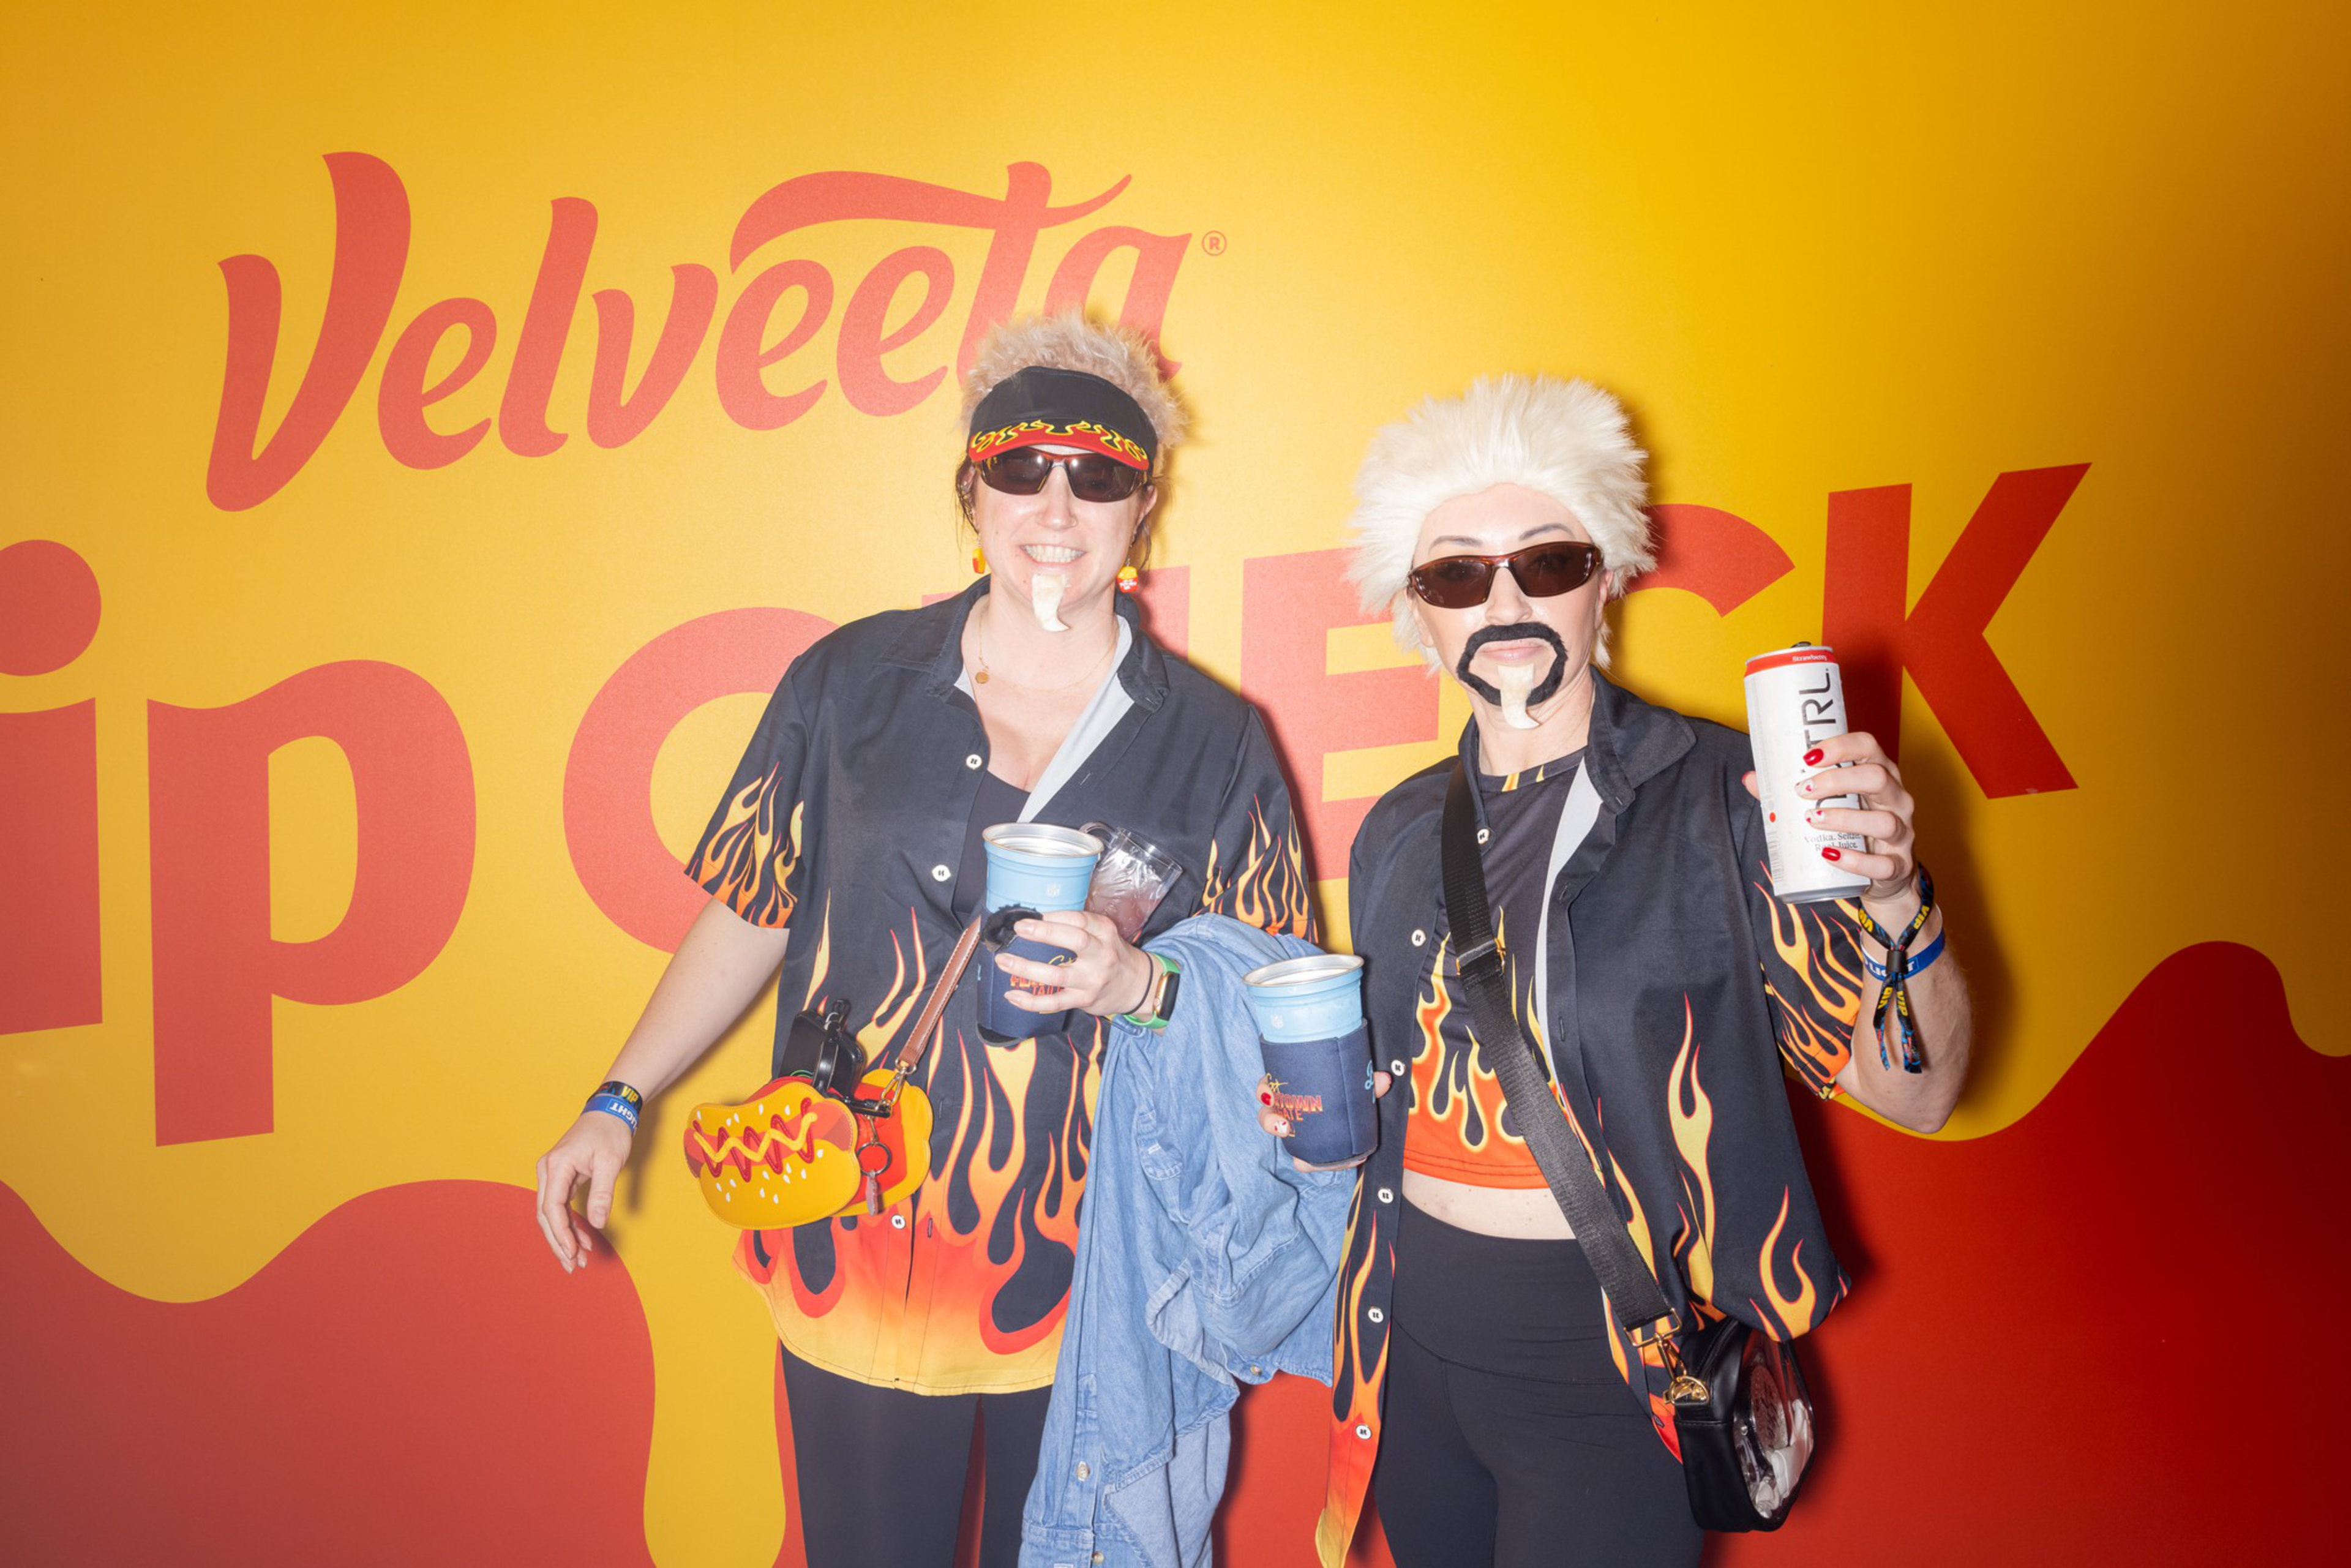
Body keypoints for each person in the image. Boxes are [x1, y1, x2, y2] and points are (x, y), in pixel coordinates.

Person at [534, 314, 1315, 1568]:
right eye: (1022, 468)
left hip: (1096, 1275)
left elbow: (1274, 1005)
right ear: (973, 489)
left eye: (1099, 475)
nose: (1056, 505)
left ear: (1142, 509)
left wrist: (1142, 982)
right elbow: (753, 903)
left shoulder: (1216, 739)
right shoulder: (846, 683)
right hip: (853, 1241)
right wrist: (620, 1095)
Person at [1264, 375, 1972, 1568]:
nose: (1502, 600)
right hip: (1413, 1343)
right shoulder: (1395, 829)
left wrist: (1898, 895)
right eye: (1455, 574)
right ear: (1417, 613)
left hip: (1609, 1363)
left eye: (1546, 561)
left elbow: (1920, 1090)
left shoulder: (1728, 797)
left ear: (1607, 575)